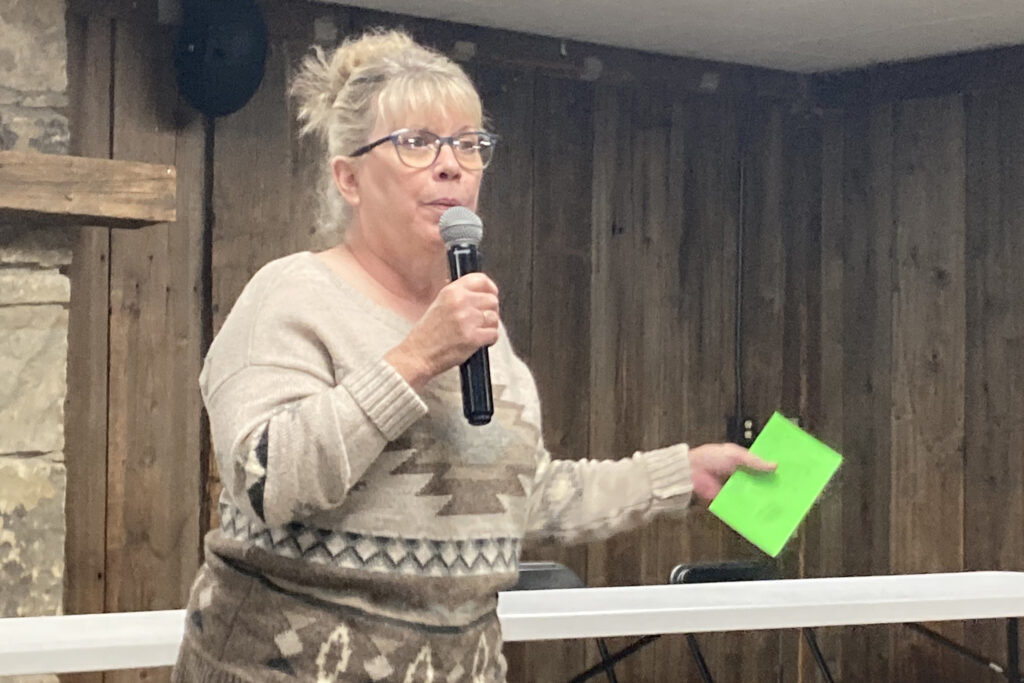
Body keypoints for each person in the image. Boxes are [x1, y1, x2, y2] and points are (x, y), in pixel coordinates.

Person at [171, 28, 775, 683]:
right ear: (348, 177)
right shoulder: (292, 297)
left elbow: (518, 497)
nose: (452, 163)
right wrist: (416, 358)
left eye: (468, 142)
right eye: (416, 142)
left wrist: (679, 474)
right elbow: (267, 480)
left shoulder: (481, 330)